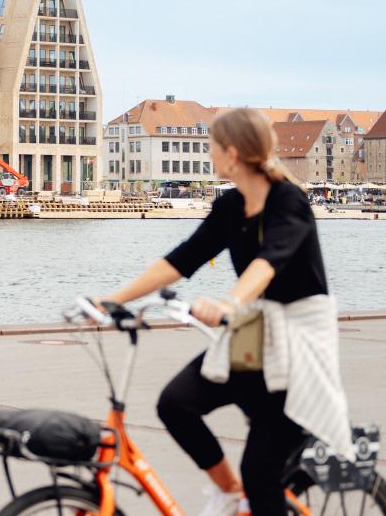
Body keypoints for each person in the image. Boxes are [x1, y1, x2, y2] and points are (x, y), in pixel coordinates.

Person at [95, 108, 352, 516]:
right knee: (175, 404)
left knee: (260, 471)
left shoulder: (289, 201)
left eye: (212, 148)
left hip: (296, 347)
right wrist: (111, 299)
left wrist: (230, 302)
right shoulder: (232, 206)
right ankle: (229, 492)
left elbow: (269, 262)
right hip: (254, 338)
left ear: (232, 154)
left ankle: (252, 486)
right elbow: (183, 259)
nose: (210, 155)